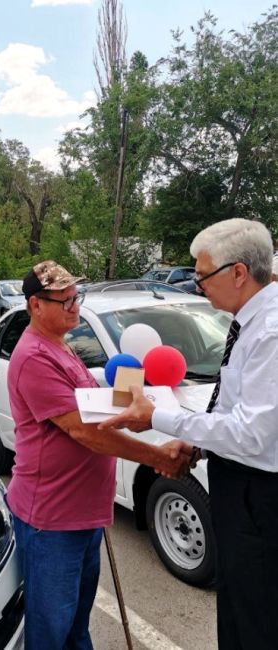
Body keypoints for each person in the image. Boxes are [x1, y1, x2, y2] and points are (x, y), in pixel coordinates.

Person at [100, 218, 278, 650]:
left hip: (260, 493)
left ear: (238, 272)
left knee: (258, 614)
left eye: (203, 275)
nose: (197, 286)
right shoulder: (249, 322)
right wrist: (196, 442)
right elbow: (235, 405)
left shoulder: (270, 332)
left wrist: (159, 418)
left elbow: (253, 434)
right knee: (239, 602)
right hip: (240, 485)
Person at [7, 260, 191, 650]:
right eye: (64, 300)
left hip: (82, 513)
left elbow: (93, 403)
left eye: (77, 297)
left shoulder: (62, 345)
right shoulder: (34, 357)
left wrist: (140, 398)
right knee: (50, 631)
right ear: (35, 305)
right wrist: (156, 455)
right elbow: (84, 431)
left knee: (76, 625)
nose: (75, 306)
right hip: (52, 520)